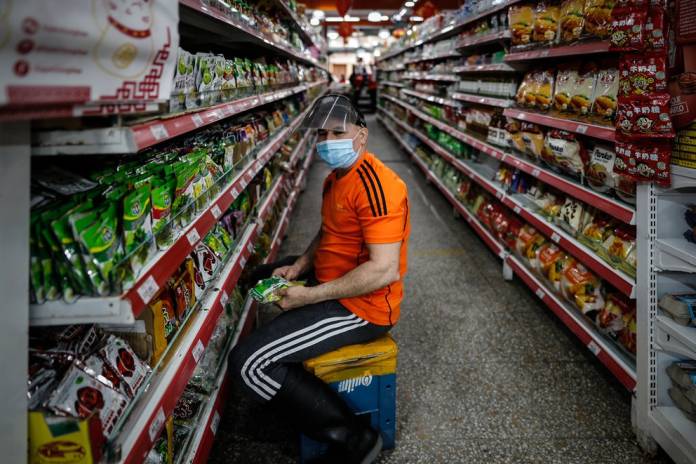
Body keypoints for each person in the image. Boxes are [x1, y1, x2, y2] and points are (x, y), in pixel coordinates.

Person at [229, 94, 411, 464]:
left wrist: (309, 296)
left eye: (337, 132)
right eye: (321, 134)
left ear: (361, 135)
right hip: (334, 282)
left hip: (361, 308)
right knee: (262, 275)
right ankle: (295, 398)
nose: (327, 142)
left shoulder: (379, 186)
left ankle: (356, 438)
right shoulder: (335, 179)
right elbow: (330, 230)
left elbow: (384, 270)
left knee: (248, 363)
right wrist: (300, 267)